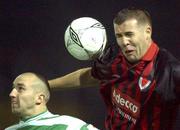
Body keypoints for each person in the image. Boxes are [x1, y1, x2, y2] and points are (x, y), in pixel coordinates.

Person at [49, 8, 180, 130]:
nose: (124, 42)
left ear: (148, 32)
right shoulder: (115, 58)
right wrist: (47, 85)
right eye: (119, 36)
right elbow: (89, 77)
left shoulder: (169, 71)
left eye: (129, 34)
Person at [5, 72, 99, 130]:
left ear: (39, 98)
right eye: (13, 88)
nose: (12, 94)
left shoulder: (69, 126)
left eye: (20, 88)